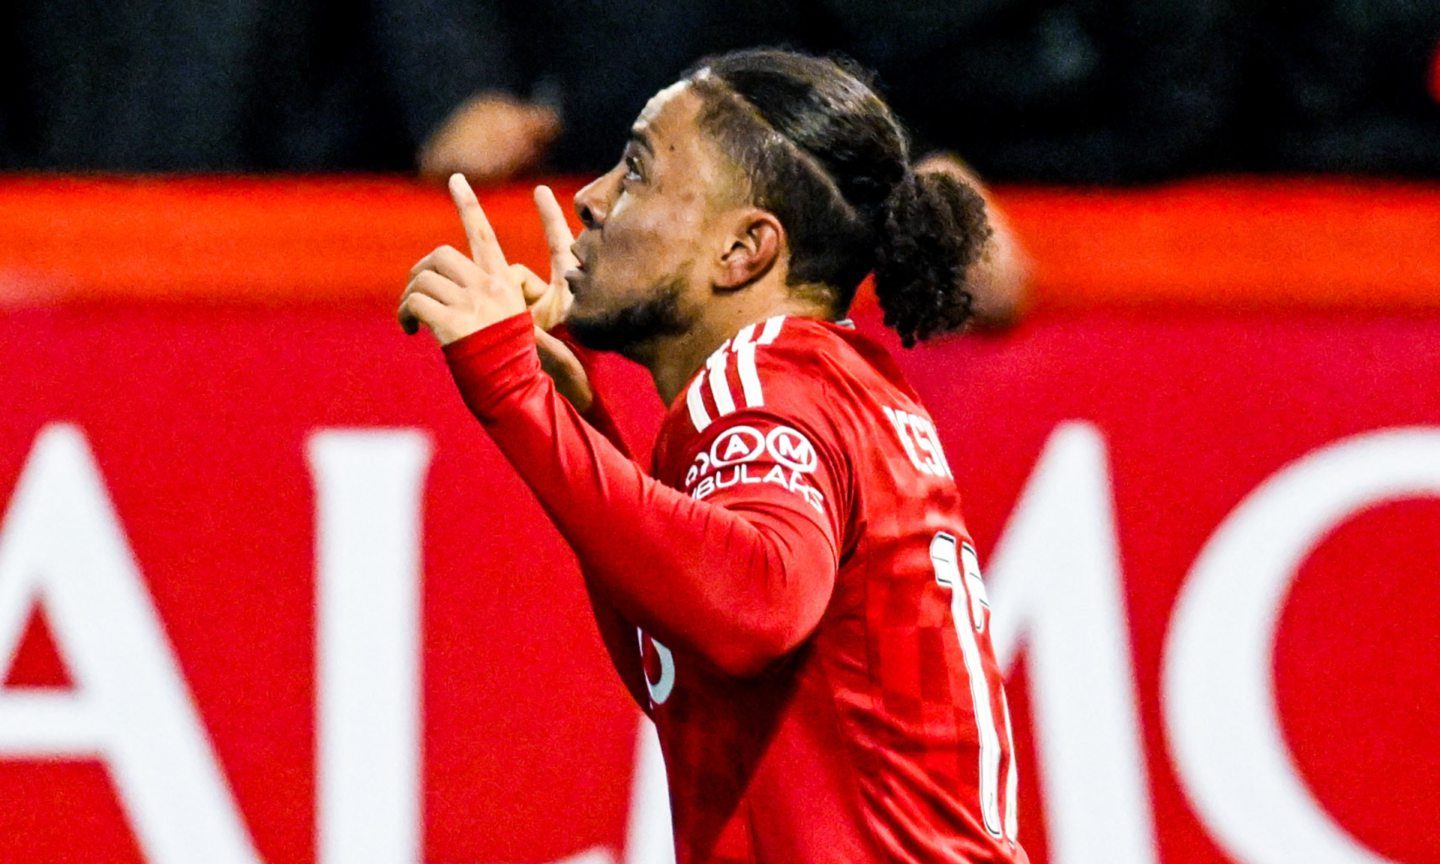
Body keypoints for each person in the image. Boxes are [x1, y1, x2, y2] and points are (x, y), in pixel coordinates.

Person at [398, 49, 1029, 864]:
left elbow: (755, 607)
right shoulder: (832, 377)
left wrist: (512, 392)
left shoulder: (762, 379)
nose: (589, 200)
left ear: (744, 251)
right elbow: (691, 662)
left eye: (636, 172)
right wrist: (578, 418)